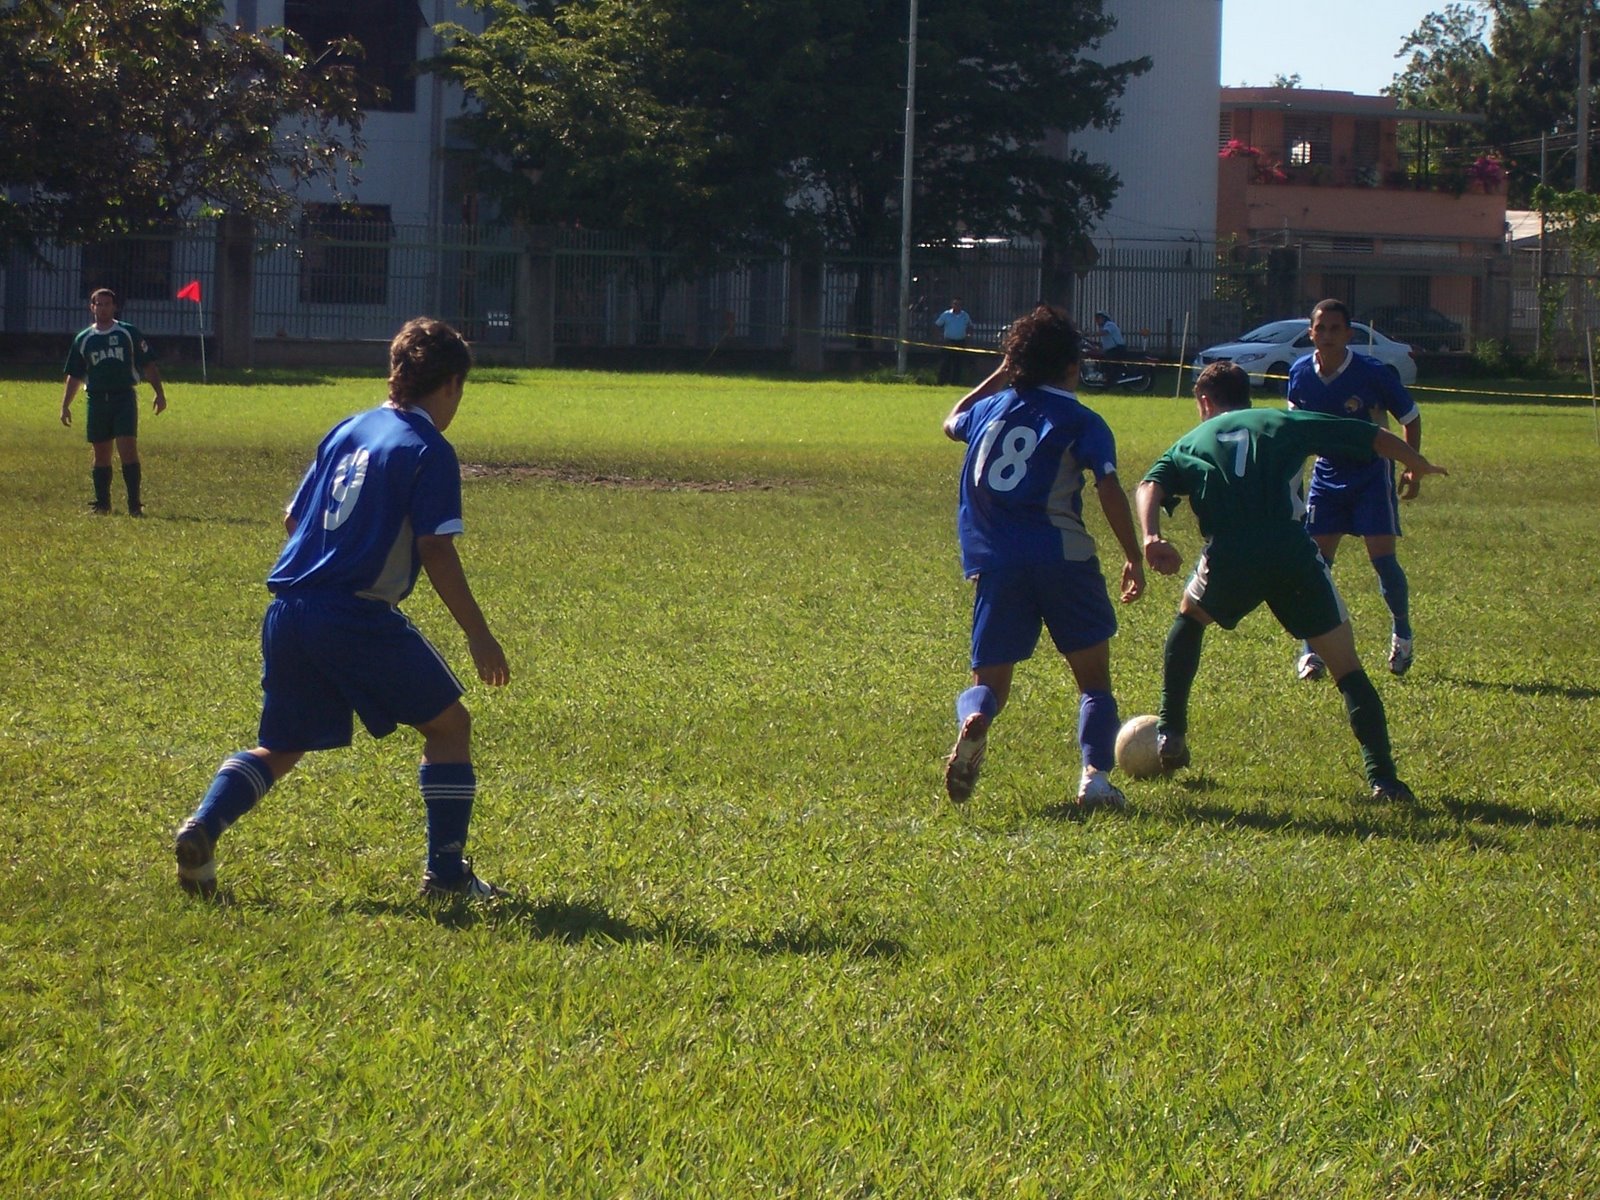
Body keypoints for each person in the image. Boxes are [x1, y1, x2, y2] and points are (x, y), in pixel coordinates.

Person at [174, 318, 512, 900]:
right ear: (452, 385)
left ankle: (203, 827)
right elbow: (435, 546)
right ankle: (448, 878)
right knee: (450, 726)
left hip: (289, 609)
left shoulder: (349, 429)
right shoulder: (428, 447)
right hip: (353, 615)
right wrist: (480, 636)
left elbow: (292, 520)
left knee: (282, 744)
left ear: (397, 373)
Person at [1136, 362, 1447, 803]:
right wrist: (1418, 465)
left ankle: (1171, 731)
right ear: (1245, 395)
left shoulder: (1191, 440)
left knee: (1190, 618)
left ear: (1205, 402)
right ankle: (1383, 779)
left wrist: (1151, 537)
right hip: (1290, 552)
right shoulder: (1283, 420)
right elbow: (1370, 436)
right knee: (1347, 667)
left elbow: (1149, 484)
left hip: (1231, 554)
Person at [940, 304, 1145, 810]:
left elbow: (950, 421)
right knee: (1094, 680)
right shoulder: (1081, 419)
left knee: (988, 682)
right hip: (1063, 559)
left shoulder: (989, 410)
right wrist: (1133, 556)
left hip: (996, 564)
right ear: (1073, 365)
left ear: (1017, 363)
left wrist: (999, 377)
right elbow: (1109, 487)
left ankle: (976, 720)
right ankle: (1094, 779)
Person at [1285, 298, 1424, 681]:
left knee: (1382, 560)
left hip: (1370, 474)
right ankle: (1312, 650)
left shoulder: (1372, 373)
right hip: (1327, 475)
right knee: (1317, 565)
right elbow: (1294, 429)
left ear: (1349, 334)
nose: (1327, 335)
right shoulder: (1300, 373)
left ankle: (1402, 633)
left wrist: (1412, 466)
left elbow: (1410, 418)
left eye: (1335, 329)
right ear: (1311, 333)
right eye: (1320, 328)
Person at [60, 288, 167, 516]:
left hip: (123, 397)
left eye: (107, 304)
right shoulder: (84, 339)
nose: (103, 308)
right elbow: (75, 375)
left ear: (114, 306)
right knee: (101, 453)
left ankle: (134, 505)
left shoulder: (127, 333)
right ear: (92, 307)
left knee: (128, 448)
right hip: (97, 399)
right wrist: (65, 405)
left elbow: (148, 365)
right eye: (98, 304)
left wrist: (159, 392)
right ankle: (102, 504)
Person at [934, 297, 974, 385]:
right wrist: (940, 338)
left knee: (958, 364)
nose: (957, 306)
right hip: (948, 342)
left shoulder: (965, 315)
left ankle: (955, 383)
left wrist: (969, 336)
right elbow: (937, 325)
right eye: (955, 304)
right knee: (945, 363)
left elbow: (970, 326)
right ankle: (941, 382)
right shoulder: (946, 314)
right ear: (952, 305)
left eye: (959, 304)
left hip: (960, 342)